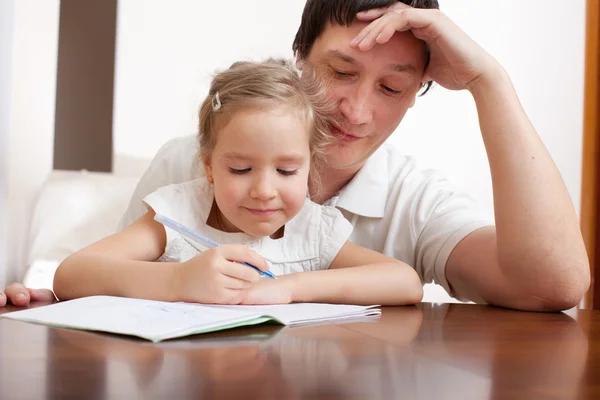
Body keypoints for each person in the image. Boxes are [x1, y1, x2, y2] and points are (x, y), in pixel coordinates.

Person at [2, 0, 590, 311]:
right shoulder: (183, 173)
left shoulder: (412, 199)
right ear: (299, 59)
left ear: (418, 94)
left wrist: (491, 81)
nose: (356, 112)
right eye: (340, 71)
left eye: (392, 88)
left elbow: (554, 288)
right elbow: (107, 278)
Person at [51, 59, 423, 306]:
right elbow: (71, 276)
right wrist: (180, 280)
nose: (264, 191)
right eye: (241, 170)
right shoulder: (178, 215)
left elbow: (405, 283)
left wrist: (289, 288)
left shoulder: (312, 230)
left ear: (310, 166)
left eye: (287, 171)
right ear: (210, 166)